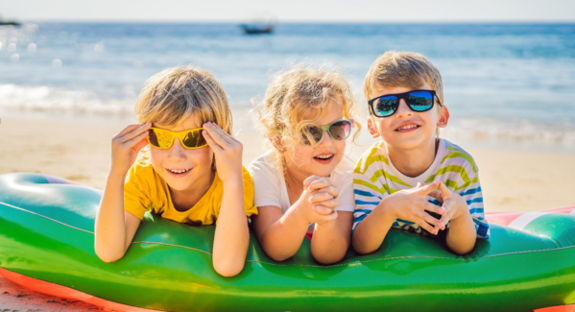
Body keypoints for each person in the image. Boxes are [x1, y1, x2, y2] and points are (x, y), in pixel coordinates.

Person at [94, 67, 257, 277]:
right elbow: (109, 252)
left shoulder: (233, 181)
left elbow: (228, 266)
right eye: (161, 137)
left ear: (219, 139)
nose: (176, 156)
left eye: (192, 138)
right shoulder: (145, 175)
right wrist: (116, 173)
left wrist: (233, 181)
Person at [352, 51, 489, 256]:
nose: (404, 111)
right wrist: (388, 208)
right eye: (387, 104)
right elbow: (361, 245)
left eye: (419, 99)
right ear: (372, 126)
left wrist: (460, 213)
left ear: (441, 116)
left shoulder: (460, 165)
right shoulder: (370, 168)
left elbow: (466, 247)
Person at [249, 66, 360, 264]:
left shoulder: (346, 175)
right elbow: (276, 250)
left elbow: (330, 255)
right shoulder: (264, 172)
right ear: (279, 142)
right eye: (310, 133)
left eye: (337, 128)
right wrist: (301, 213)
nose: (326, 143)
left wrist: (325, 221)